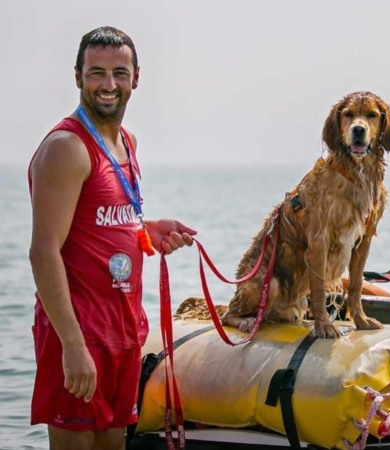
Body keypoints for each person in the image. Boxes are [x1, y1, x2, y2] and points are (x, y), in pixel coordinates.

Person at [27, 26, 197, 450]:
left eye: (119, 73)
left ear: (136, 77)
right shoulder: (67, 147)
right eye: (96, 73)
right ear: (78, 76)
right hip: (79, 334)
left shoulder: (126, 143)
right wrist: (72, 346)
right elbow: (43, 252)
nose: (108, 85)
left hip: (122, 331)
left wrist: (147, 232)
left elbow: (102, 222)